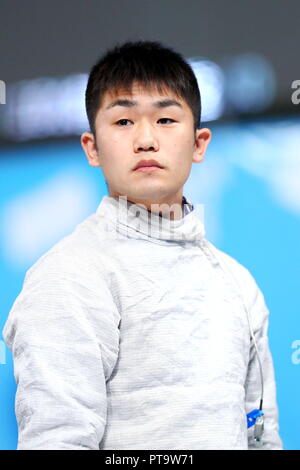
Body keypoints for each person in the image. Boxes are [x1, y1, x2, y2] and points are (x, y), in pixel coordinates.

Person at [2, 40, 283, 450]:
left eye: (166, 119)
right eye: (123, 122)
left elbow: (261, 437)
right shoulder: (67, 275)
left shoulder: (238, 285)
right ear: (92, 148)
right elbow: (56, 441)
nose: (146, 140)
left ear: (199, 143)